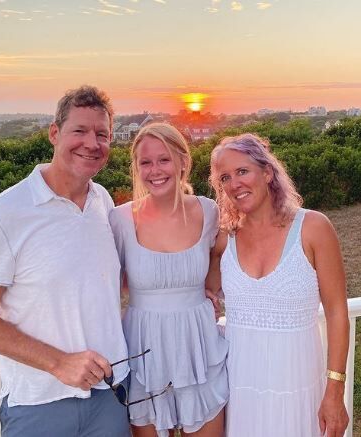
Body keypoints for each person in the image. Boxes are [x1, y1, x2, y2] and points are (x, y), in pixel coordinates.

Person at [0, 85, 131, 437]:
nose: (92, 143)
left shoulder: (103, 202)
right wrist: (59, 363)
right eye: (79, 131)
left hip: (110, 396)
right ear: (54, 133)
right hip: (39, 404)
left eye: (102, 134)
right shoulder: (6, 213)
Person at [207, 133, 350, 437]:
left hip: (297, 393)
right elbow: (198, 293)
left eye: (242, 171)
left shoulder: (313, 228)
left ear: (267, 172)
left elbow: (337, 312)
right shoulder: (224, 239)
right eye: (225, 178)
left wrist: (335, 391)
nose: (234, 184)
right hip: (240, 393)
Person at [109, 123, 229, 437]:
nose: (155, 170)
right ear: (136, 168)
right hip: (144, 351)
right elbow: (109, 280)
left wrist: (206, 290)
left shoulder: (208, 211)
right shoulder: (119, 219)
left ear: (182, 162)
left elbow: (216, 261)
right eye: (145, 162)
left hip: (198, 346)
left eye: (164, 159)